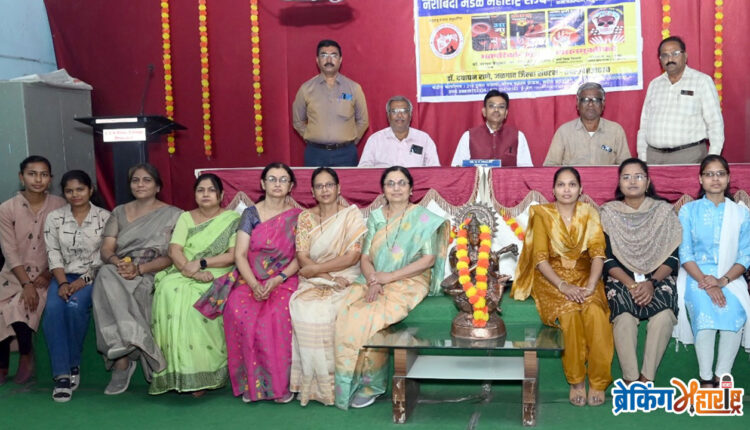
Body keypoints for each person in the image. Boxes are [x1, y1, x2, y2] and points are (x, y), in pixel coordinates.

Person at [334, 166, 449, 409]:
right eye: (390, 183)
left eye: (401, 183)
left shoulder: (422, 218)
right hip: (373, 277)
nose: (396, 188)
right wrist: (374, 280)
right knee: (346, 314)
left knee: (372, 318)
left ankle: (371, 386)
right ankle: (346, 381)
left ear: (411, 189)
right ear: (383, 190)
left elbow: (427, 260)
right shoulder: (376, 217)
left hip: (409, 279)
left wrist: (389, 277)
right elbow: (365, 257)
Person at [197, 163, 302, 403]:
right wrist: (254, 284)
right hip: (250, 278)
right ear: (263, 184)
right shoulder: (250, 214)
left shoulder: (298, 217)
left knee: (277, 315)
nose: (277, 184)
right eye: (272, 179)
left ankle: (281, 386)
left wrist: (277, 279)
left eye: (283, 180)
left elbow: (300, 257)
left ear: (291, 186)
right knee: (237, 308)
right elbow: (240, 254)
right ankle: (251, 384)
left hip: (283, 279)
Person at [512, 167, 613, 407]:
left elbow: (598, 253)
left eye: (572, 184)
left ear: (581, 189)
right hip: (552, 279)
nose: (566, 190)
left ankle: (598, 381)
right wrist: (563, 285)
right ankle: (576, 381)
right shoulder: (542, 214)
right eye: (561, 184)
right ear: (554, 190)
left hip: (586, 276)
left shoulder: (589, 212)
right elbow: (539, 258)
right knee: (570, 316)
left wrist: (591, 285)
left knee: (596, 314)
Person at [93, 163, 181, 395]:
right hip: (121, 268)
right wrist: (118, 263)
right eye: (135, 180)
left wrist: (140, 269)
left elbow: (173, 255)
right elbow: (106, 249)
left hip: (152, 270)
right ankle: (128, 352)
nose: (140, 184)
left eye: (146, 180)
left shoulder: (174, 215)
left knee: (117, 286)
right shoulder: (118, 212)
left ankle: (122, 357)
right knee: (105, 273)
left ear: (158, 186)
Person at [149, 173, 240, 396]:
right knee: (167, 289)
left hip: (217, 273)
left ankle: (202, 373)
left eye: (211, 190)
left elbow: (232, 256)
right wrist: (190, 271)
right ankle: (174, 374)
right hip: (184, 270)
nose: (205, 194)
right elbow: (174, 250)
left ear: (221, 195)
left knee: (193, 302)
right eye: (201, 190)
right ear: (195, 195)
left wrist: (201, 264)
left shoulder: (232, 220)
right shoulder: (186, 217)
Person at [289, 167, 367, 406]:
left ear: (338, 188)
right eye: (319, 186)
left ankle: (338, 386)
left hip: (347, 276)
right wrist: (326, 276)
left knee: (333, 310)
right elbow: (302, 256)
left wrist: (320, 271)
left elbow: (353, 257)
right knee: (303, 308)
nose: (324, 190)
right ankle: (314, 387)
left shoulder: (351, 216)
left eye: (329, 185)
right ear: (312, 191)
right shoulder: (305, 218)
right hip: (315, 277)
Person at [599, 159, 680, 384]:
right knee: (624, 318)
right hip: (621, 279)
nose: (632, 181)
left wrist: (651, 283)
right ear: (619, 183)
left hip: (658, 278)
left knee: (664, 317)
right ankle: (631, 378)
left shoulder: (663, 211)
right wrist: (632, 285)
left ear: (648, 182)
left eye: (638, 176)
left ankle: (646, 378)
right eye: (626, 177)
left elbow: (673, 256)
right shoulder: (608, 213)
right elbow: (606, 258)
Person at [674, 155, 750, 387]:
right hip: (695, 276)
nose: (715, 179)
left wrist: (723, 280)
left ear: (728, 178)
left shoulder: (741, 213)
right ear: (700, 179)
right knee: (705, 315)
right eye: (709, 174)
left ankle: (722, 376)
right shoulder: (689, 211)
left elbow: (745, 255)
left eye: (720, 174)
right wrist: (707, 283)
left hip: (730, 277)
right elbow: (685, 254)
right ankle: (706, 378)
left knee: (735, 312)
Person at [42, 170, 110, 401]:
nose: (75, 194)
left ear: (90, 190)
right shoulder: (54, 218)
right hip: (62, 276)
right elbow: (53, 253)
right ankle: (61, 375)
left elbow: (105, 255)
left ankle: (73, 364)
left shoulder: (105, 217)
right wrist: (62, 282)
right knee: (53, 310)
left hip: (94, 277)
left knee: (75, 307)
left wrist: (84, 280)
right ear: (63, 193)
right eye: (69, 191)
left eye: (80, 189)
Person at [0, 156, 65, 385]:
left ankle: (26, 356)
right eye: (32, 174)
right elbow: (9, 250)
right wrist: (25, 283)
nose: (38, 179)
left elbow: (64, 245)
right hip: (14, 272)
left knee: (22, 307)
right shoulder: (7, 208)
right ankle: (2, 363)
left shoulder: (60, 206)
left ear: (50, 179)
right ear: (21, 177)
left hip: (47, 273)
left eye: (44, 174)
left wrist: (48, 273)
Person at [637, 36, 724, 164]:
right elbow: (644, 124)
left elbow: (715, 123)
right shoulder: (655, 84)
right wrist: (643, 157)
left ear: (685, 56)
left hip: (689, 156)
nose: (670, 59)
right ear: (660, 59)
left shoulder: (701, 81)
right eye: (664, 55)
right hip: (654, 157)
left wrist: (712, 159)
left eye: (675, 53)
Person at [293, 39, 369, 167]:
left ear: (340, 60)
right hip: (315, 154)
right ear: (317, 60)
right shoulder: (306, 89)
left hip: (346, 154)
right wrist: (311, 136)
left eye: (333, 55)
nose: (329, 60)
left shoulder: (354, 88)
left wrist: (349, 141)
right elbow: (297, 121)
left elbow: (363, 121)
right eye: (324, 55)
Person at [544, 82, 631, 166]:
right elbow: (550, 166)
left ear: (603, 104)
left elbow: (626, 167)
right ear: (578, 104)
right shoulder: (564, 132)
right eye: (585, 100)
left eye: (596, 100)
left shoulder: (615, 131)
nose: (590, 104)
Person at [451, 90, 532, 167]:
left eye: (501, 107)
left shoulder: (518, 136)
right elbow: (457, 169)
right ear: (484, 112)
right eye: (491, 106)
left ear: (506, 113)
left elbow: (526, 170)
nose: (496, 110)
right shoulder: (468, 136)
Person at [358, 96, 440, 168]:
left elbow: (434, 169)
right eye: (394, 111)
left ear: (410, 115)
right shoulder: (375, 139)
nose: (400, 115)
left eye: (404, 111)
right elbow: (364, 169)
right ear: (388, 116)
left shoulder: (424, 139)